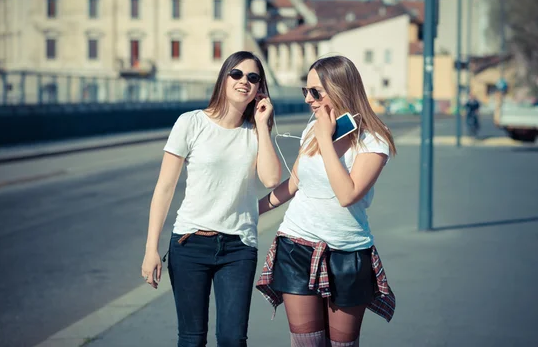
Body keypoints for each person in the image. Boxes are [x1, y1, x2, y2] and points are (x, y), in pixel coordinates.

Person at [141, 51, 282, 347]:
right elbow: (165, 188)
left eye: (253, 78)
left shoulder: (255, 132)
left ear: (259, 89)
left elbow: (271, 180)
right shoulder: (191, 123)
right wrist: (151, 248)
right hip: (190, 243)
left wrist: (262, 124)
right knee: (192, 340)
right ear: (224, 77)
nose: (244, 81)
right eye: (237, 74)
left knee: (233, 339)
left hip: (238, 247)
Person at [256, 55, 397, 347]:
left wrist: (325, 140)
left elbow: (348, 194)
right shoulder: (312, 129)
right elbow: (294, 184)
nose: (308, 99)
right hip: (297, 245)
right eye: (304, 91)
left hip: (347, 253)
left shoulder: (373, 139)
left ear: (341, 89)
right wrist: (250, 210)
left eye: (315, 92)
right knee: (306, 343)